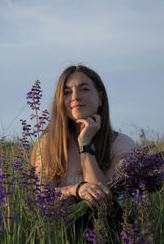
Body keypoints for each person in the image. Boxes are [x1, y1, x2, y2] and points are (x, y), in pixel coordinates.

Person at [31, 65, 135, 234]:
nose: (75, 97)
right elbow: (42, 198)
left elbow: (105, 203)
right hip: (61, 231)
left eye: (84, 89)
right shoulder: (49, 143)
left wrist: (85, 144)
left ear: (101, 97)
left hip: (106, 231)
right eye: (67, 92)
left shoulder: (121, 144)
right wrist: (77, 189)